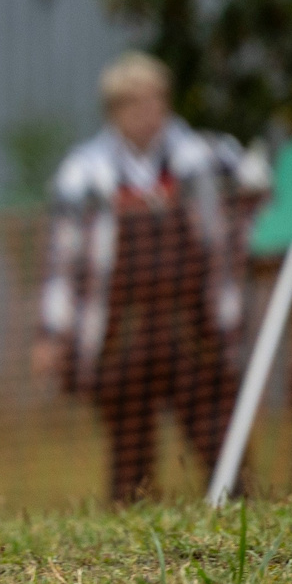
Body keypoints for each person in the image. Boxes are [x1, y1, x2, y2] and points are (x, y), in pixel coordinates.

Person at [33, 52, 246, 502]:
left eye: (156, 100)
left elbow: (254, 192)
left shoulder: (205, 158)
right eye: (135, 102)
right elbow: (62, 262)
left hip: (193, 327)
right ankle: (131, 538)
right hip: (122, 332)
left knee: (217, 435)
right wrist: (52, 332)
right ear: (115, 111)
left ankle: (237, 515)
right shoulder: (84, 174)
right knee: (131, 449)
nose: (149, 112)